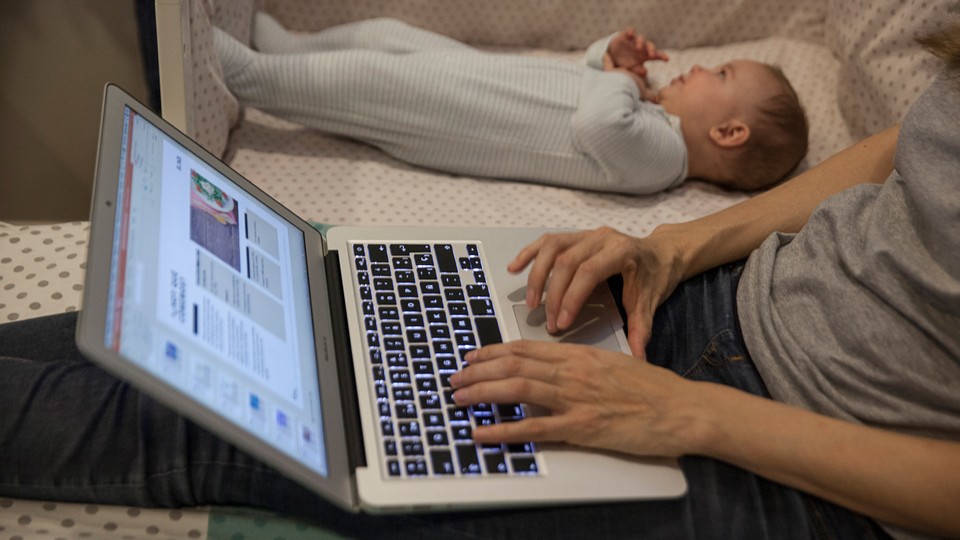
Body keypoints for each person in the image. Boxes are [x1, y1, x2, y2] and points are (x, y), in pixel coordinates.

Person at [1, 23, 958, 540]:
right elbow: (895, 151)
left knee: (236, 420)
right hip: (720, 299)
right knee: (313, 311)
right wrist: (678, 246)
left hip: (821, 475)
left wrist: (685, 414)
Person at [213, 15, 808, 195]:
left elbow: (597, 121)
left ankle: (245, 74)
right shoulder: (651, 115)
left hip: (453, 116)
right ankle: (295, 49)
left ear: (729, 133)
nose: (700, 67)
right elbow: (587, 82)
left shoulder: (662, 159)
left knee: (362, 83)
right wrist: (609, 54)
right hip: (470, 75)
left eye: (721, 73)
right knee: (384, 36)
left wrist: (620, 77)